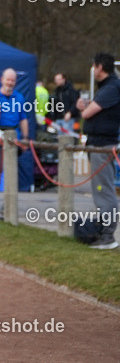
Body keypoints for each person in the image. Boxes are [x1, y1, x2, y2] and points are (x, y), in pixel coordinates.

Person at [77, 53, 120, 249]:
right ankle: (103, 230)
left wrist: (83, 108)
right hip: (98, 145)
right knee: (100, 190)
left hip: (102, 147)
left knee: (105, 191)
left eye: (95, 66)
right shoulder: (107, 88)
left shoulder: (112, 87)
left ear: (100, 67)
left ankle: (108, 236)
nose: (93, 70)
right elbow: (95, 109)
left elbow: (88, 113)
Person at [0, 68, 30, 218]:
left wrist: (26, 138)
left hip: (14, 135)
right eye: (8, 79)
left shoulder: (19, 97)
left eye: (13, 80)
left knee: (11, 169)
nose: (10, 83)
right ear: (2, 80)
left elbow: (23, 118)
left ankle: (8, 204)